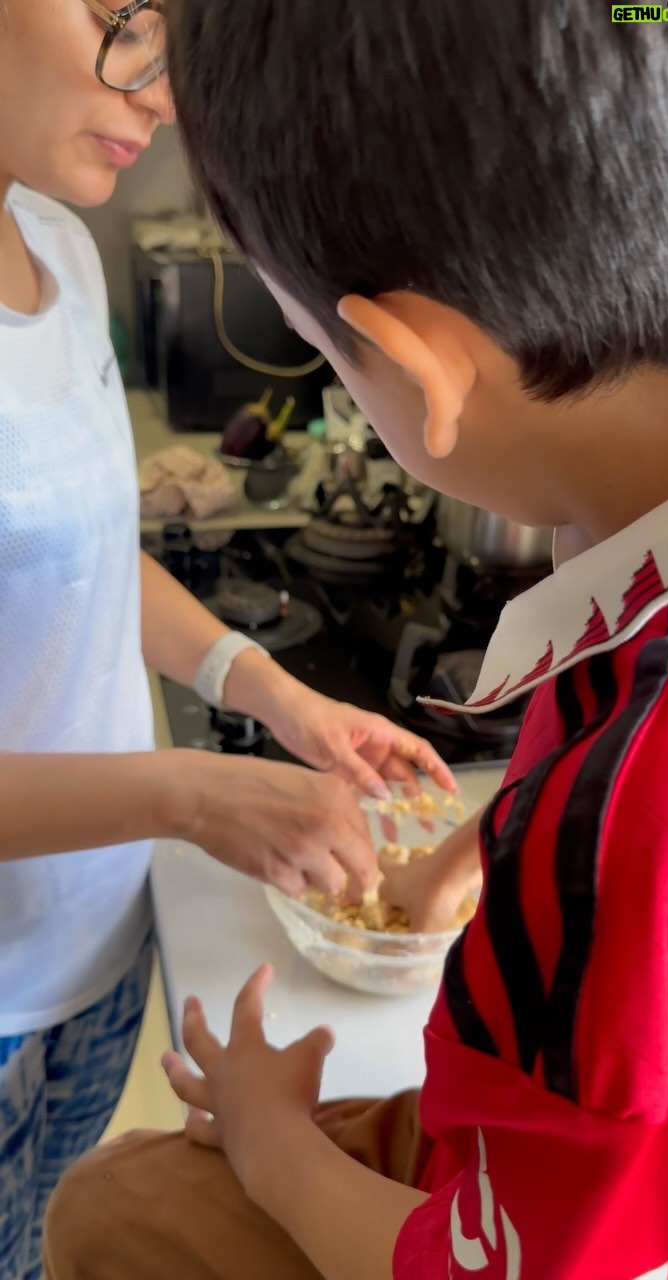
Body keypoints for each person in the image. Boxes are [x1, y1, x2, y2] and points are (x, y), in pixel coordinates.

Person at [43, 3, 668, 1279]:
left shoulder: (636, 809)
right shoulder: (647, 562)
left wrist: (271, 1142)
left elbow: (511, 1260)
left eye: (320, 354)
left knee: (111, 1212)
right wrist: (478, 850)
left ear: (418, 374)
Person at [0, 3, 457, 1278]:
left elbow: (83, 550)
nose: (163, 91)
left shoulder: (53, 245)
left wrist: (270, 693)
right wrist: (194, 791)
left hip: (98, 934)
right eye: (118, 18)